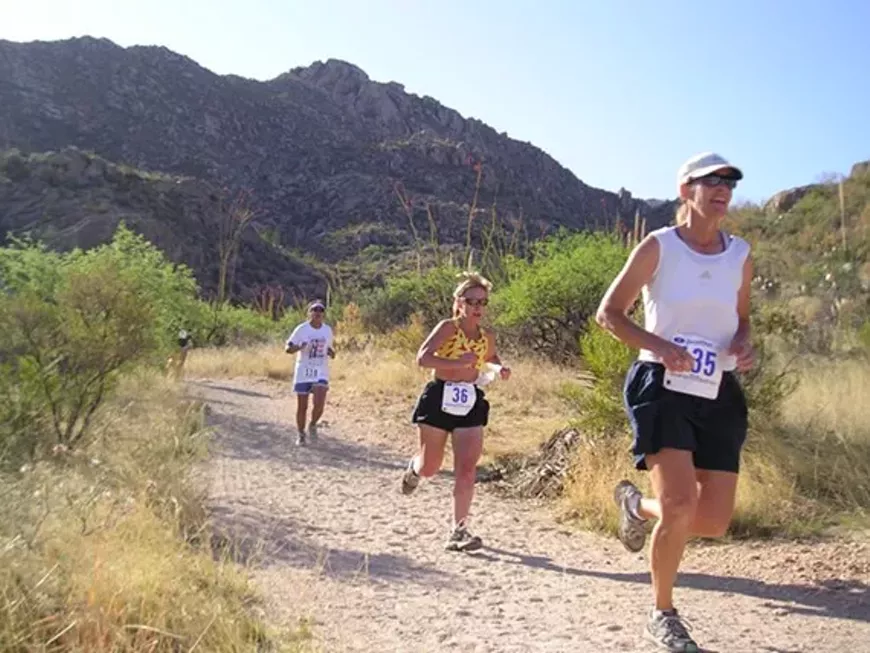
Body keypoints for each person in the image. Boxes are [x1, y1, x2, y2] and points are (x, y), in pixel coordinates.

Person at [595, 152, 755, 653]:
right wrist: (662, 347)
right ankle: (662, 614)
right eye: (711, 181)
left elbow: (742, 317)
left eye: (729, 182)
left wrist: (744, 345)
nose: (722, 189)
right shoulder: (658, 247)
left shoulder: (740, 254)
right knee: (681, 504)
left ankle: (636, 507)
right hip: (660, 384)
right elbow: (609, 314)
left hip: (719, 392)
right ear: (686, 190)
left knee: (711, 520)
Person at [400, 271, 511, 552]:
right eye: (472, 301)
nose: (478, 307)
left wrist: (499, 368)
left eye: (483, 302)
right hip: (440, 397)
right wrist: (455, 362)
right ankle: (414, 469)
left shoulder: (487, 336)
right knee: (430, 467)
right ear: (459, 302)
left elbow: (490, 357)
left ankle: (458, 530)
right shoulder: (448, 328)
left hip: (470, 400)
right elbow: (422, 358)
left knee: (466, 468)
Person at [284, 300, 335, 446]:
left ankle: (312, 424)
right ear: (309, 313)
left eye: (321, 311)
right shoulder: (302, 329)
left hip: (320, 370)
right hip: (304, 370)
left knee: (319, 403)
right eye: (315, 310)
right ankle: (301, 434)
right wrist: (299, 347)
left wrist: (331, 352)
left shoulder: (327, 330)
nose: (318, 313)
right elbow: (288, 348)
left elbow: (329, 348)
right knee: (303, 406)